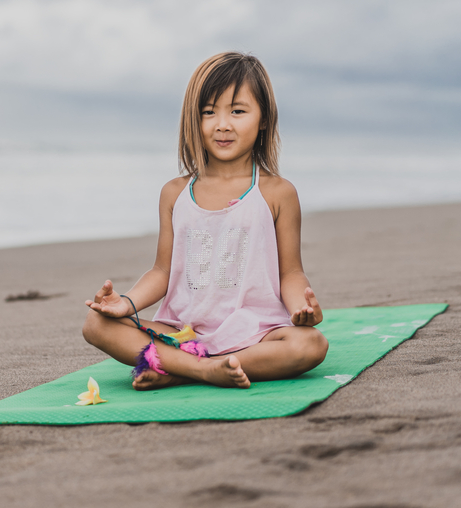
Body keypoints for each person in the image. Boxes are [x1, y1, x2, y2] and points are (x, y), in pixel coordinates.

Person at [83, 52, 328, 390]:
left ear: (264, 119)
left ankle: (179, 370)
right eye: (209, 112)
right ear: (193, 121)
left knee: (310, 345)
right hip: (184, 332)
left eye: (238, 111)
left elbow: (291, 272)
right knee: (95, 325)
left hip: (254, 334)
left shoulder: (277, 192)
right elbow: (161, 271)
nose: (222, 124)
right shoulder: (175, 193)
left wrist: (302, 306)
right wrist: (126, 303)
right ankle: (203, 369)